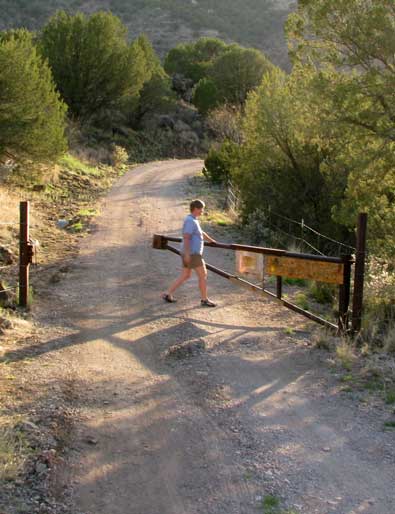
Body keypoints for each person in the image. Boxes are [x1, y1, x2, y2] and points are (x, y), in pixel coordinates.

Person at [162, 199, 217, 307]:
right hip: (193, 254)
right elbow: (186, 238)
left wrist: (212, 241)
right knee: (203, 275)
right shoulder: (190, 221)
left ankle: (167, 294)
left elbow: (201, 233)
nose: (202, 211)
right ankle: (204, 300)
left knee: (186, 275)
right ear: (196, 209)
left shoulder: (193, 219)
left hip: (190, 253)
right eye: (201, 209)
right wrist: (187, 254)